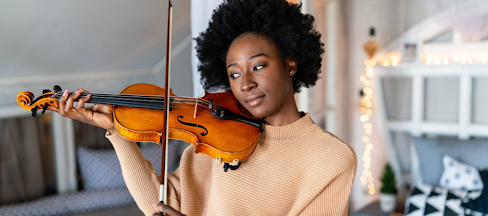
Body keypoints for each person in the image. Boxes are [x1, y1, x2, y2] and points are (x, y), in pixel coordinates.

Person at [48, 0, 357, 215]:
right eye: (233, 73)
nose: (245, 83)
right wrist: (117, 131)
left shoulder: (331, 158)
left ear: (290, 63)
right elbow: (159, 202)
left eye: (258, 66)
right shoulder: (215, 138)